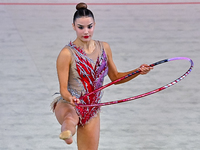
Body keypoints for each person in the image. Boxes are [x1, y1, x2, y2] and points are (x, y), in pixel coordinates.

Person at [51, 2, 153, 150]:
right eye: (81, 27)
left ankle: (69, 134)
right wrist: (70, 98)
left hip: (92, 108)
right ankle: (67, 134)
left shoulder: (104, 47)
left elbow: (116, 77)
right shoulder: (66, 54)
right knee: (70, 118)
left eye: (89, 26)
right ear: (73, 26)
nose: (86, 31)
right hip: (70, 103)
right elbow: (63, 90)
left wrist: (138, 71)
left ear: (94, 25)